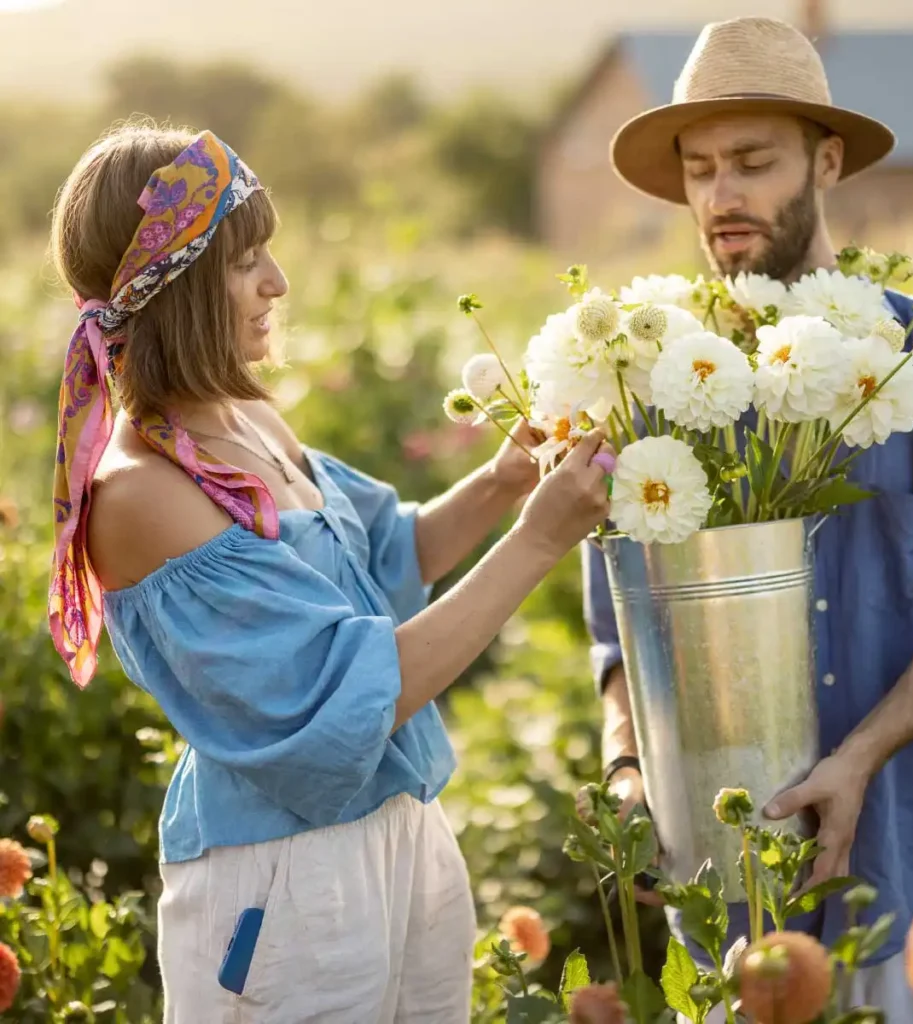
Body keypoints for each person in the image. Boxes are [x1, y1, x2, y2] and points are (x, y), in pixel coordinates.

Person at [48, 122, 612, 1024]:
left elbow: (390, 557)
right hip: (280, 885)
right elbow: (352, 691)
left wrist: (507, 479)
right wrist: (538, 541)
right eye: (244, 262)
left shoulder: (244, 425)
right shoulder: (141, 493)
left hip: (401, 836)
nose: (276, 283)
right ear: (176, 287)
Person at [583, 16, 913, 1019]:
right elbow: (620, 634)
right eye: (698, 169)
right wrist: (624, 773)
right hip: (725, 899)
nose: (721, 195)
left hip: (907, 875)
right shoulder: (652, 383)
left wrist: (854, 761)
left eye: (751, 162)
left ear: (826, 160)